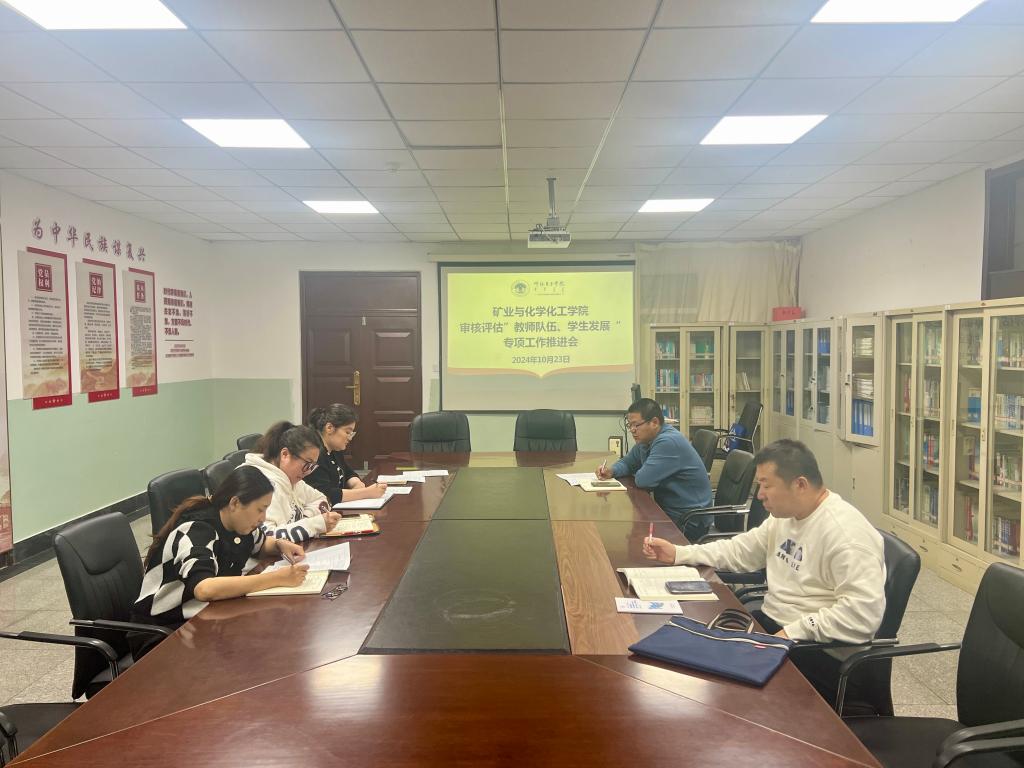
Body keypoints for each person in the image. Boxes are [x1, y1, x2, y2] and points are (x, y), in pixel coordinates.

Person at [643, 439, 886, 709]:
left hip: (820, 652)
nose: (759, 495)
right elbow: (741, 550)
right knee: (691, 655)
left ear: (800, 485)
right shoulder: (786, 516)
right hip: (777, 630)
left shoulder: (846, 535)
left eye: (766, 485)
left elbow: (862, 614)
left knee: (720, 692)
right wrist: (679, 554)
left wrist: (792, 632)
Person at [131, 465, 309, 656]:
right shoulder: (197, 530)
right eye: (260, 509)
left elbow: (262, 543)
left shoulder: (238, 525)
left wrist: (280, 545)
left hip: (203, 617)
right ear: (235, 503)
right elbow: (204, 589)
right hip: (163, 633)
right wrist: (277, 578)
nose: (263, 518)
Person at [596, 398, 713, 538]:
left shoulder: (668, 442)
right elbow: (628, 462)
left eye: (636, 425)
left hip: (689, 520)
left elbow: (643, 480)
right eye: (629, 425)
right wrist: (612, 470)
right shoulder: (647, 440)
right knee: (626, 532)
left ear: (655, 422)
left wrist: (639, 468)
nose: (632, 430)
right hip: (670, 511)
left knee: (631, 538)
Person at [244, 421, 341, 542]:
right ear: (285, 454)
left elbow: (323, 499)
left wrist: (305, 518)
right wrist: (313, 525)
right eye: (307, 464)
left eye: (313, 466)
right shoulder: (260, 484)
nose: (308, 472)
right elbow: (265, 539)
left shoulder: (292, 479)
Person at [305, 404, 386, 506]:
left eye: (352, 433)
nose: (350, 438)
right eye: (347, 432)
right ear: (329, 428)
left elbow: (347, 472)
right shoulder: (315, 454)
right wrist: (366, 493)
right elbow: (325, 494)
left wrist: (356, 483)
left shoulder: (334, 449)